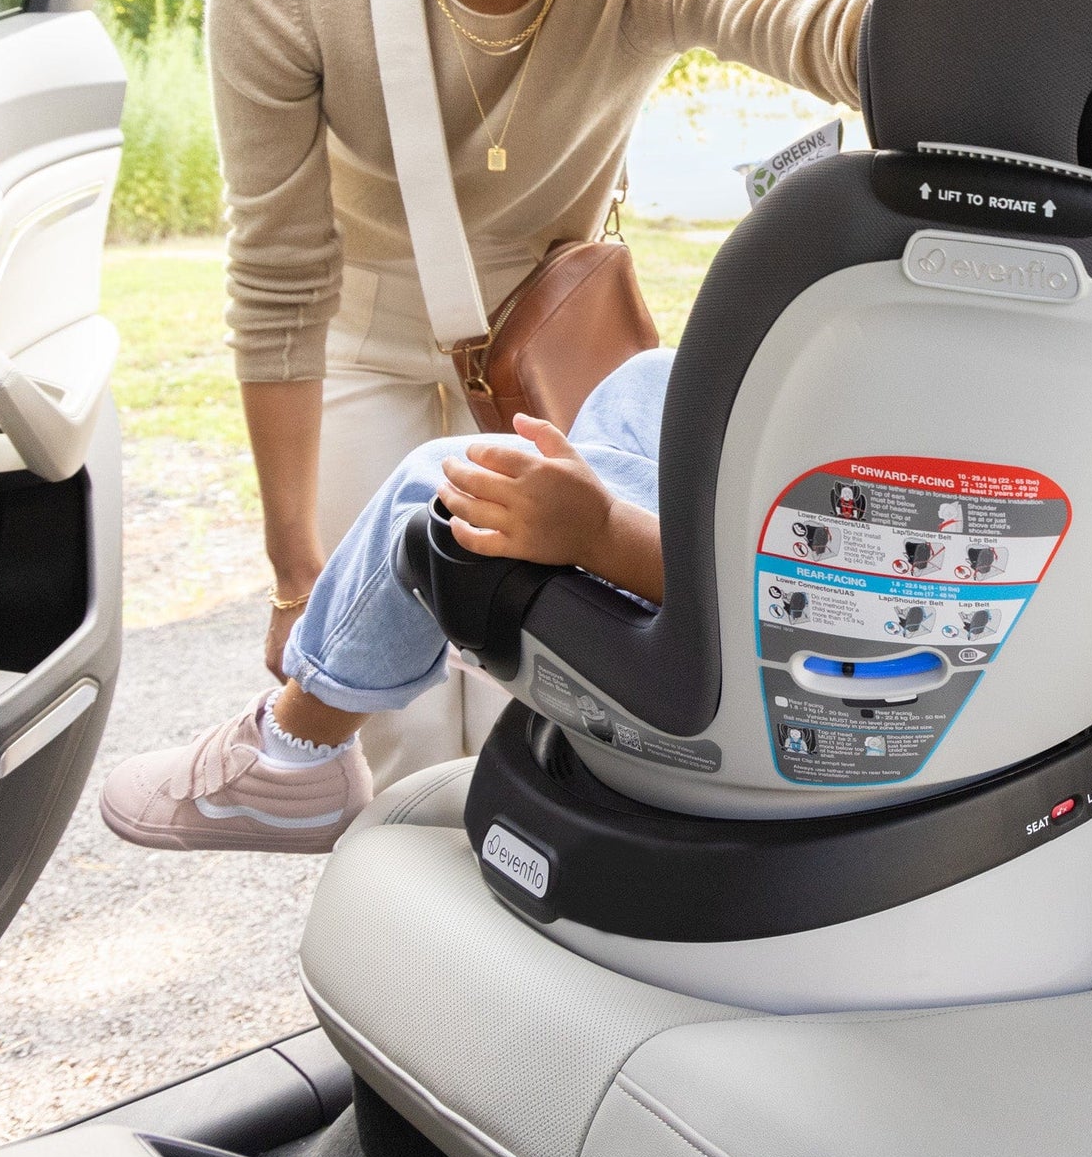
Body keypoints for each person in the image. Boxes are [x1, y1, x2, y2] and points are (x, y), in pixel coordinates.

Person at [101, 0, 868, 850]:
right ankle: (401, 926)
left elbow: (816, 24)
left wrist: (980, 18)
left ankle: (531, 911)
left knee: (552, 672)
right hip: (359, 339)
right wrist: (294, 568)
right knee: (387, 710)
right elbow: (280, 279)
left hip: (548, 344)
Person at [100, 351, 671, 852]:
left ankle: (295, 753)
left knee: (445, 482)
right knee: (649, 381)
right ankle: (579, 609)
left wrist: (601, 532)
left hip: (710, 629)